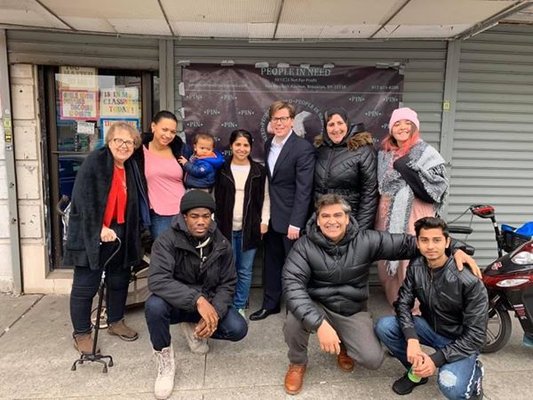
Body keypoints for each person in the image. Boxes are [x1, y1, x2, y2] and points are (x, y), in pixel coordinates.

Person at [281, 194, 480, 395]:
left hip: (351, 309)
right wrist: (319, 323)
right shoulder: (304, 246)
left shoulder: (365, 240)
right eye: (325, 216)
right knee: (294, 320)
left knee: (372, 359)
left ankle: (343, 345)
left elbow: (413, 243)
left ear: (348, 218)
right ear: (317, 219)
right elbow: (292, 286)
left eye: (337, 215)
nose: (332, 221)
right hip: (317, 305)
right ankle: (297, 363)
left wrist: (455, 249)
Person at [145, 190, 248, 400]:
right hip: (177, 302)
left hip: (208, 301)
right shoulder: (167, 241)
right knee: (154, 306)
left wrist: (215, 313)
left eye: (206, 216)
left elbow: (228, 283)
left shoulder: (221, 243)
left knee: (238, 329)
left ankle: (196, 330)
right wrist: (197, 300)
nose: (201, 222)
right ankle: (164, 360)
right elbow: (157, 280)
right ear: (184, 217)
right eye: (195, 216)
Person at [375, 217, 487, 399]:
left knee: (451, 386)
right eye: (424, 240)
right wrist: (411, 338)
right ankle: (417, 372)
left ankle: (475, 373)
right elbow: (403, 303)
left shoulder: (469, 280)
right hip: (430, 329)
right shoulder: (416, 266)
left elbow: (476, 336)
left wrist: (436, 359)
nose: (431, 246)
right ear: (417, 243)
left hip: (461, 341)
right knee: (385, 327)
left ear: (447, 243)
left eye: (437, 240)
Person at [65, 122, 144, 355]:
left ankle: (116, 321)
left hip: (119, 232)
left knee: (118, 280)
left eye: (129, 142)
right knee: (85, 285)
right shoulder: (96, 162)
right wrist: (99, 227)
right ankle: (81, 334)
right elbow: (81, 199)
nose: (123, 145)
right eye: (118, 140)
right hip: (92, 232)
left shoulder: (128, 166)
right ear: (109, 142)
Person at [376, 107, 449, 308]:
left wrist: (408, 169)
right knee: (388, 257)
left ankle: (414, 306)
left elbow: (438, 185)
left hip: (415, 212)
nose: (402, 128)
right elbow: (382, 183)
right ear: (391, 129)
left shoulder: (426, 152)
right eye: (397, 124)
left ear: (414, 126)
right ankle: (396, 301)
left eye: (407, 123)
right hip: (387, 213)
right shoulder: (384, 154)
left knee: (411, 258)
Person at [250, 100, 316, 321]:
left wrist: (296, 223)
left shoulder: (302, 148)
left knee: (296, 268)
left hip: (292, 220)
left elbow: (304, 189)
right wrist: (264, 217)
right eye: (275, 118)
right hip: (271, 217)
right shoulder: (269, 144)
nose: (279, 123)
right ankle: (271, 304)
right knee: (271, 263)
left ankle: (298, 310)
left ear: (291, 121)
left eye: (284, 118)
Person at [214, 129, 270, 318]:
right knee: (227, 268)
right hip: (225, 227)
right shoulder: (222, 169)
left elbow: (266, 198)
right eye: (238, 144)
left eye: (246, 145)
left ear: (251, 148)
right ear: (231, 146)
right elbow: (214, 195)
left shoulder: (258, 171)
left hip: (250, 227)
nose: (242, 148)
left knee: (245, 269)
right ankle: (226, 303)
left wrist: (264, 220)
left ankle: (239, 305)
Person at [314, 107, 378, 229]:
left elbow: (369, 193)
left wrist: (360, 229)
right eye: (331, 124)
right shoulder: (320, 149)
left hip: (350, 222)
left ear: (347, 124)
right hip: (324, 222)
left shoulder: (363, 150)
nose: (336, 129)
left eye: (340, 123)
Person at [132, 110, 188, 239]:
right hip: (159, 215)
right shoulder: (138, 152)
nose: (168, 135)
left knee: (185, 256)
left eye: (173, 132)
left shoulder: (180, 150)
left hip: (184, 212)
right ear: (153, 127)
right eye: (165, 129)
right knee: (165, 255)